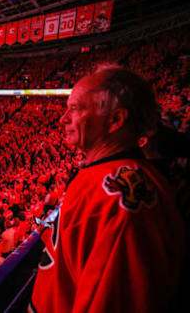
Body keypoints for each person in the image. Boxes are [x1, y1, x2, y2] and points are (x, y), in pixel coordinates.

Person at [29, 65, 185, 313]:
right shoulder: (102, 177)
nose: (63, 119)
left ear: (115, 120)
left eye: (76, 108)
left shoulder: (118, 201)